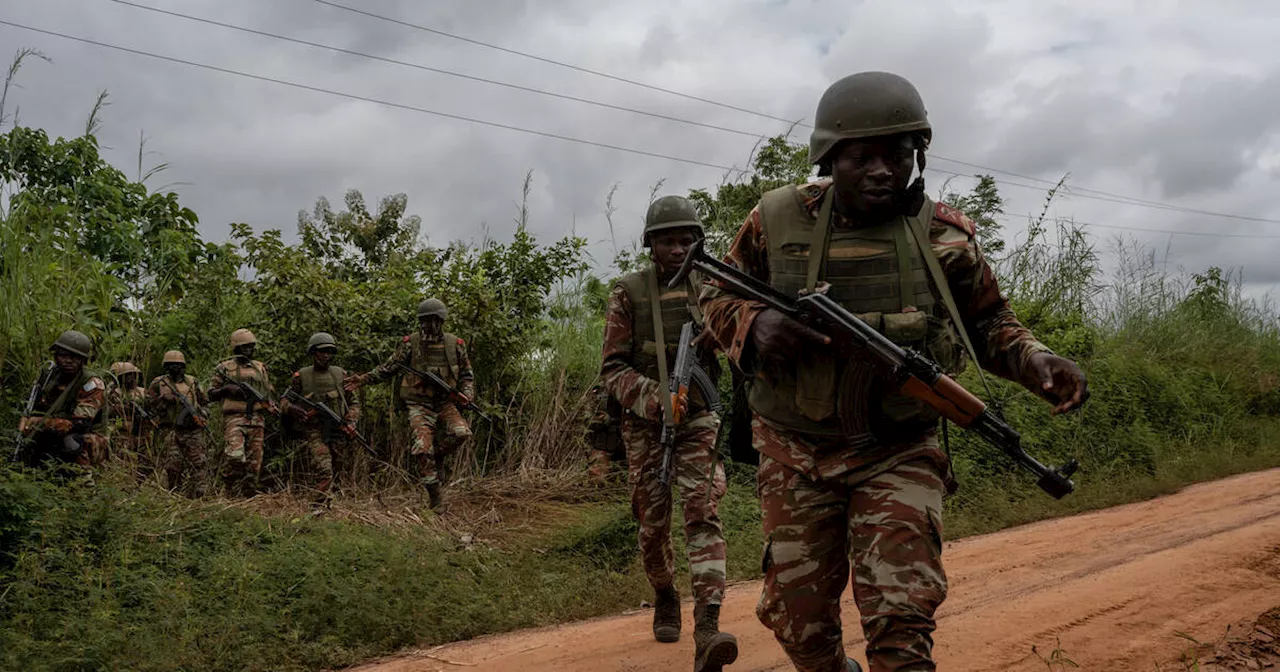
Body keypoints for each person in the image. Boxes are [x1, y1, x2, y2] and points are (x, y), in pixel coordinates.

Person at [697, 71, 1090, 672]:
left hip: (900, 449)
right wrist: (754, 327)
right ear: (830, 160)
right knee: (799, 626)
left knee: (902, 621)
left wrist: (1036, 358)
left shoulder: (946, 236)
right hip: (795, 450)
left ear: (918, 155)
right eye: (863, 156)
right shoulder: (776, 219)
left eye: (898, 154)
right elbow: (712, 291)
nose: (883, 169)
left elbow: (989, 324)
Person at [600, 195, 737, 672]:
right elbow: (611, 370)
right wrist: (656, 396)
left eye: (686, 240)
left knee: (703, 508)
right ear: (650, 244)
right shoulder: (629, 291)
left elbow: (746, 338)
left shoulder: (714, 286)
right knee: (652, 525)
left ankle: (708, 625)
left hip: (700, 419)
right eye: (668, 241)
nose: (678, 249)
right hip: (644, 424)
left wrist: (722, 335)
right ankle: (664, 594)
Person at [346, 298, 475, 512]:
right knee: (422, 448)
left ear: (440, 320)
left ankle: (439, 456)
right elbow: (389, 367)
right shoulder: (411, 344)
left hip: (444, 403)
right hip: (418, 404)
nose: (425, 325)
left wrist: (466, 395)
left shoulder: (455, 345)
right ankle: (435, 498)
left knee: (462, 433)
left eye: (430, 320)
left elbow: (467, 376)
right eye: (423, 321)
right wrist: (364, 379)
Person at [280, 332, 360, 506]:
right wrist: (292, 409)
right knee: (324, 468)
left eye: (330, 352)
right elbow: (284, 401)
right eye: (322, 351)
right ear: (313, 352)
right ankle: (318, 505)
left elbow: (353, 402)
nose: (326, 356)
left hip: (338, 429)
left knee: (338, 467)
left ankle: (334, 502)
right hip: (314, 430)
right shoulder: (302, 376)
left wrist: (351, 421)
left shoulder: (340, 374)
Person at [15, 330, 108, 469]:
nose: (69, 361)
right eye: (64, 355)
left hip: (88, 438)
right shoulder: (50, 378)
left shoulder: (91, 383)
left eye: (75, 357)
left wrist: (37, 423)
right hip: (54, 431)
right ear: (56, 356)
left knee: (71, 442)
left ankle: (84, 484)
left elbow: (80, 423)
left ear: (83, 360)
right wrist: (27, 422)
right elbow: (36, 407)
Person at [209, 328, 277, 495]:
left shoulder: (260, 367)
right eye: (244, 347)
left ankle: (248, 495)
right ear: (236, 349)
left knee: (255, 463)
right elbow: (211, 393)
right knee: (235, 455)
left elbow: (268, 391)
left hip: (256, 417)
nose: (249, 350)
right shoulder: (225, 367)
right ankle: (229, 487)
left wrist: (272, 404)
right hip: (235, 417)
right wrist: (227, 389)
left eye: (251, 347)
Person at [146, 350, 210, 497]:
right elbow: (148, 404)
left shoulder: (192, 382)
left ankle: (200, 495)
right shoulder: (159, 383)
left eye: (178, 365)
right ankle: (174, 493)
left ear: (183, 366)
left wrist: (202, 415)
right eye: (171, 365)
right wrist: (163, 401)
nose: (175, 368)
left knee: (199, 463)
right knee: (172, 464)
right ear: (166, 367)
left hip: (192, 430)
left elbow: (205, 403)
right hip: (170, 430)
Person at [106, 360, 153, 473]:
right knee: (124, 462)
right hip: (122, 431)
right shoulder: (113, 394)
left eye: (133, 376)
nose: (131, 379)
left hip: (142, 433)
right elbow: (107, 414)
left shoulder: (142, 392)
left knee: (147, 463)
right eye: (127, 376)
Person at [583, 381, 625, 484]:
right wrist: (605, 419)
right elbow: (587, 420)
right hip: (604, 445)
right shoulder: (597, 391)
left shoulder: (630, 386)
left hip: (628, 443)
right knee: (597, 479)